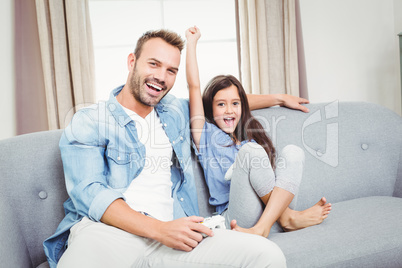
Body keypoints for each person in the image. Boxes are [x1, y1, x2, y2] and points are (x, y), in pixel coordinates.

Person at [43, 28, 310, 268]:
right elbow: (89, 193)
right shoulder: (90, 121)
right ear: (132, 62)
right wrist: (159, 229)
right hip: (108, 233)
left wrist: (279, 97)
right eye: (154, 64)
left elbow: (221, 101)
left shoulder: (174, 112)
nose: (161, 76)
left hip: (175, 238)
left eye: (171, 70)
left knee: (268, 256)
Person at [186, 26, 331, 238]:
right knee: (252, 152)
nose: (229, 110)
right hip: (237, 216)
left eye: (234, 104)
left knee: (293, 152)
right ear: (210, 108)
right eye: (220, 105)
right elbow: (194, 87)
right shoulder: (205, 135)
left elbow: (239, 102)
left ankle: (270, 224)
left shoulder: (247, 140)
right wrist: (191, 43)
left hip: (266, 213)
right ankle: (287, 218)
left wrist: (281, 98)